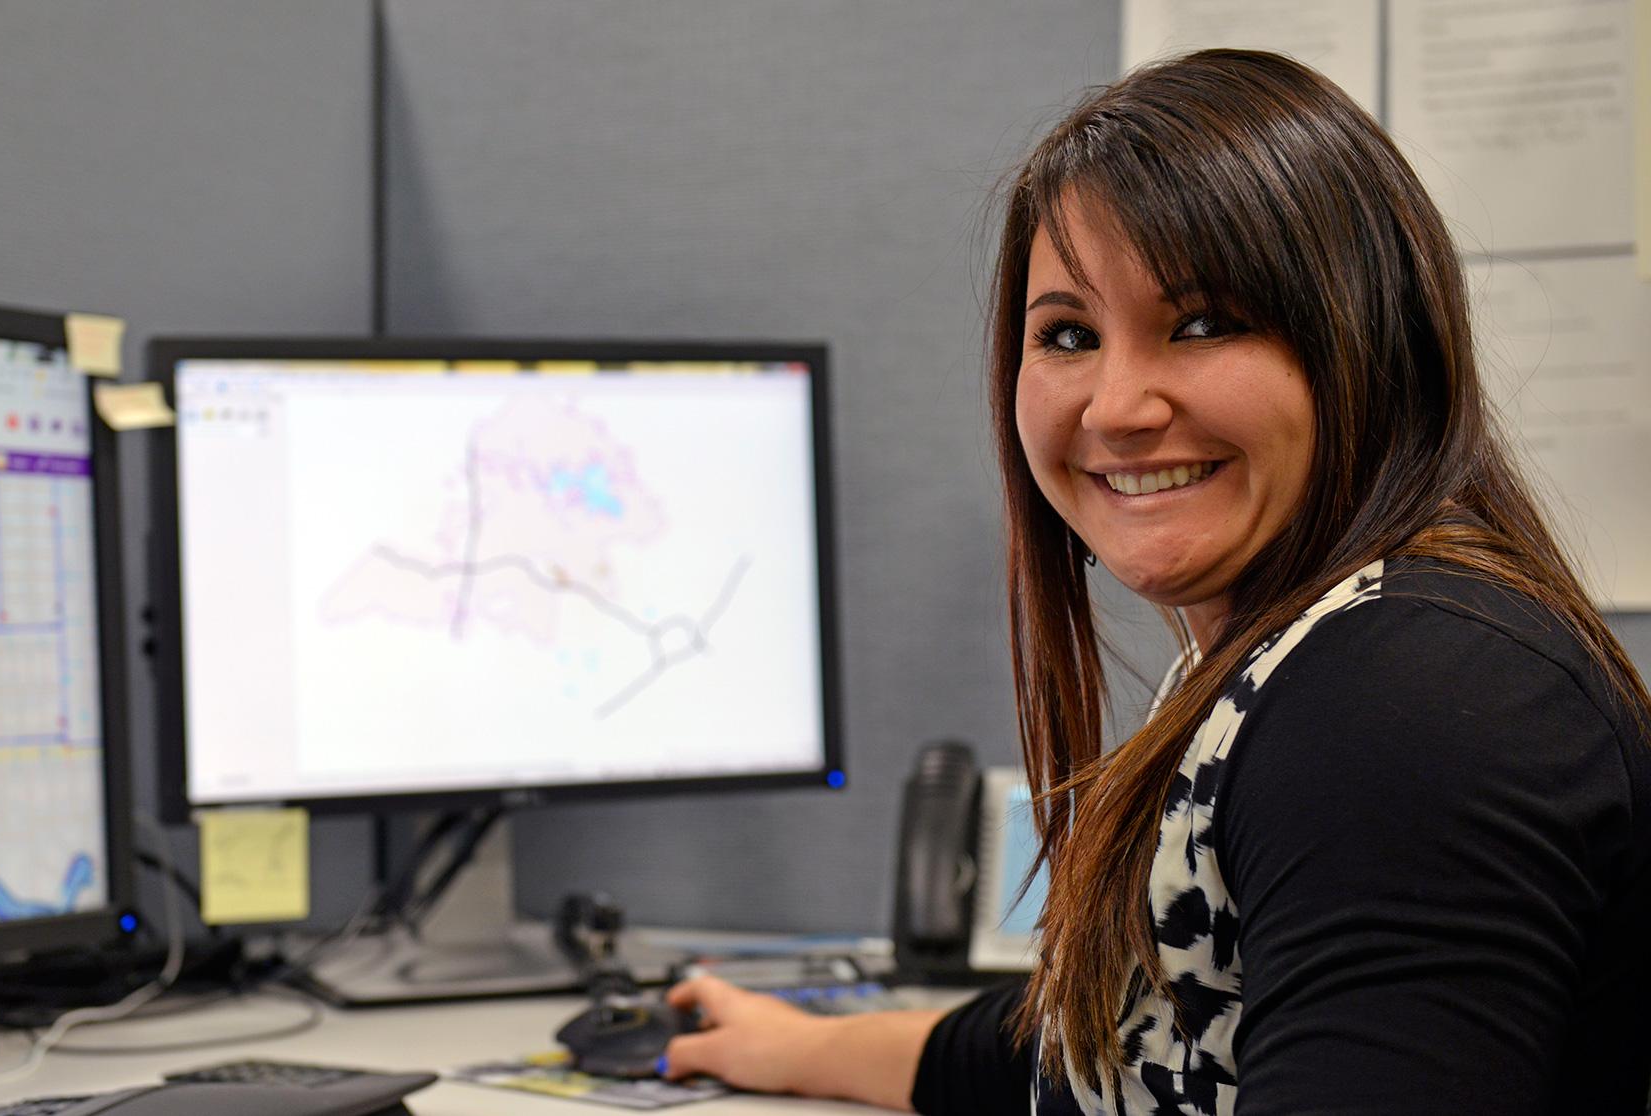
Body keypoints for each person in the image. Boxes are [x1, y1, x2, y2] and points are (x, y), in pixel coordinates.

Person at [658, 48, 1651, 1115]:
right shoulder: (1319, 652)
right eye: (1069, 335)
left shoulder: (1407, 697)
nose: (1117, 405)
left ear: (1370, 344)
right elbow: (1120, 1040)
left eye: (1204, 324)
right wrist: (789, 1048)